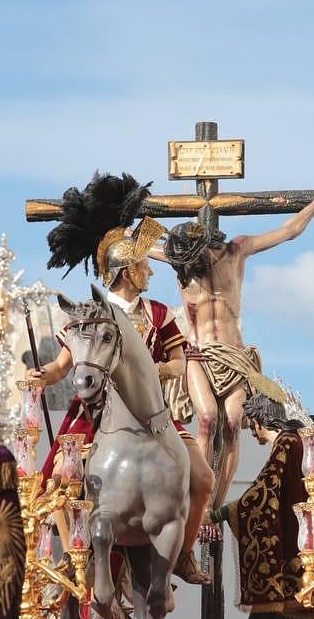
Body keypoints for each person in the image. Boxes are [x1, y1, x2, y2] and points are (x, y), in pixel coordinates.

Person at [34, 172, 213, 585]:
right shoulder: (91, 313)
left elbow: (179, 363)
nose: (150, 270)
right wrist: (40, 377)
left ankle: (184, 554)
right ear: (128, 271)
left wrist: (152, 370)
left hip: (152, 411)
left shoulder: (159, 314)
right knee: (59, 481)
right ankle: (75, 556)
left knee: (203, 478)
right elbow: (62, 366)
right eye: (145, 264)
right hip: (93, 414)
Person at [153, 181, 314, 508]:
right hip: (198, 355)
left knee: (233, 423)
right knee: (207, 419)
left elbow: (289, 230)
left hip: (235, 357)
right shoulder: (180, 259)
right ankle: (200, 499)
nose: (187, 268)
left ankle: (215, 504)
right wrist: (111, 219)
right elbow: (131, 245)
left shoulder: (236, 251)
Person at [209, 394, 314, 619]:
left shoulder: (287, 442)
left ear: (262, 419)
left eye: (252, 423)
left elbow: (262, 493)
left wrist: (219, 514)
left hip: (298, 550)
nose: (252, 432)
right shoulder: (305, 441)